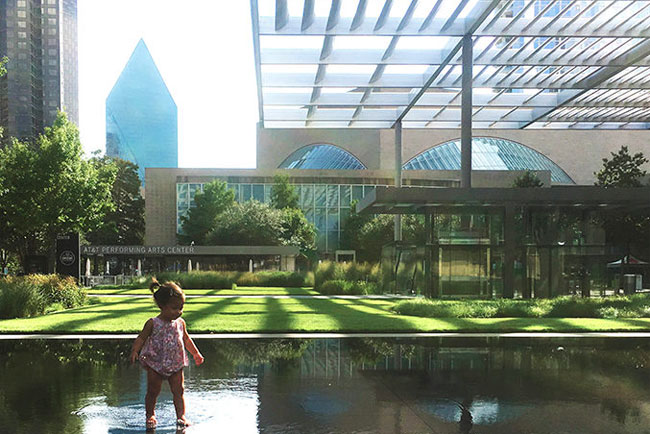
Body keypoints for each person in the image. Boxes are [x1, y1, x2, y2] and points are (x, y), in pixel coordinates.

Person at [130, 278, 204, 430]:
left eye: (181, 307)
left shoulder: (180, 323)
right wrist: (135, 350)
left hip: (176, 363)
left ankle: (181, 416)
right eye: (175, 308)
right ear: (162, 306)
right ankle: (150, 414)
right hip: (155, 363)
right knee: (153, 390)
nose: (179, 311)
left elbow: (186, 339)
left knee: (179, 390)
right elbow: (141, 337)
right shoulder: (152, 323)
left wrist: (196, 353)